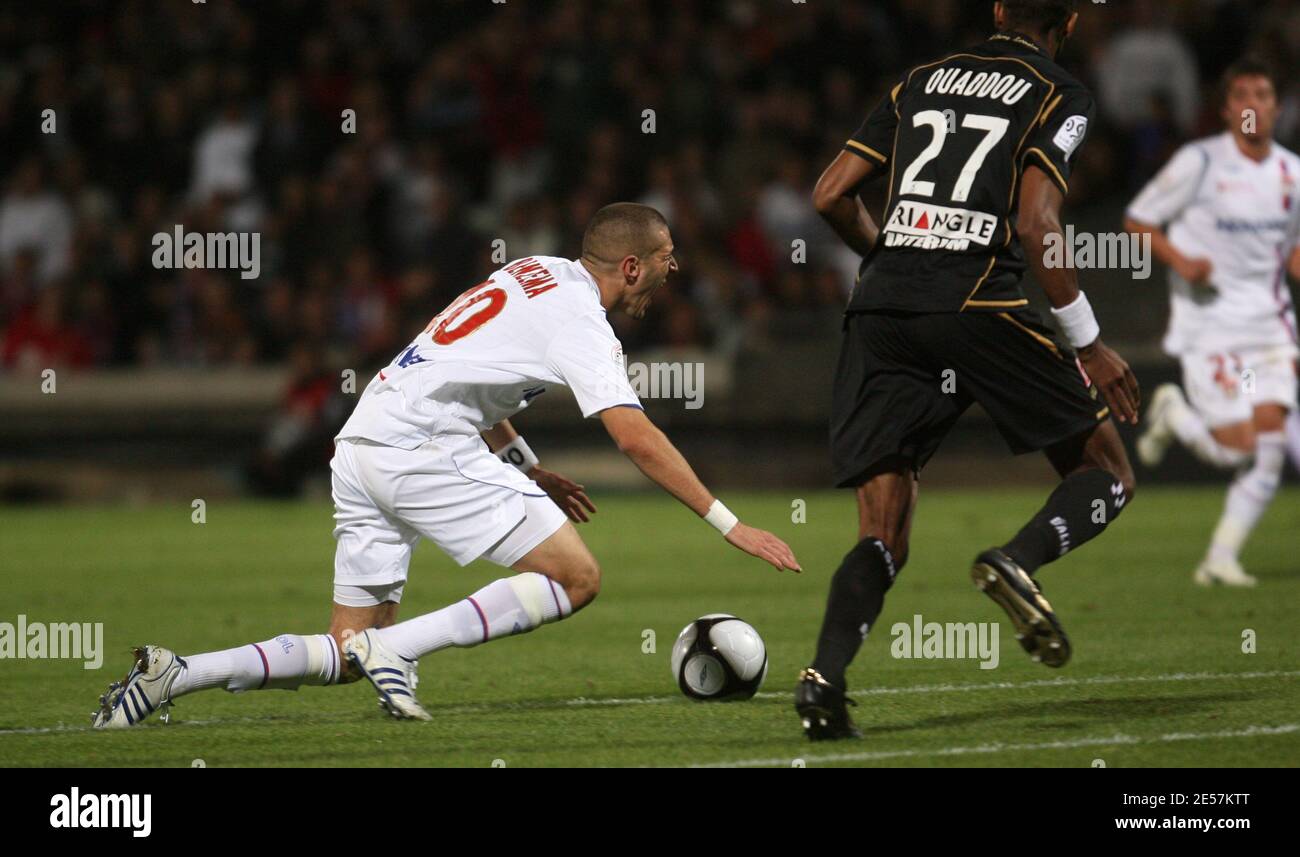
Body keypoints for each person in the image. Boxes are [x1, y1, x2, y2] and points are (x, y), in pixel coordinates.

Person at [92, 203, 800, 728]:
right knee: (577, 577)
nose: (677, 269)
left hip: (366, 439)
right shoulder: (583, 321)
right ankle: (397, 651)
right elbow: (635, 436)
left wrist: (524, 464)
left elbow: (468, 368)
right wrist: (727, 523)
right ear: (632, 266)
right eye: (669, 254)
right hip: (422, 446)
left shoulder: (535, 271)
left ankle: (173, 674)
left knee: (345, 653)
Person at [797, 0, 1138, 741]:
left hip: (881, 310)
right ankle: (1017, 560)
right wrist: (1088, 342)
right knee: (1108, 471)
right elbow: (1036, 223)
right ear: (1071, 22)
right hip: (978, 298)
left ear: (997, 9)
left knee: (882, 531)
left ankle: (823, 683)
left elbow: (828, 193)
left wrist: (893, 260)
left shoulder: (920, 77)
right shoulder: (1058, 92)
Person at [1127, 58, 1300, 587]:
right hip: (1213, 331)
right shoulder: (1198, 163)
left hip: (1270, 331)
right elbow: (1138, 222)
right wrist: (1182, 262)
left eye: (1263, 94)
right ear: (1227, 110)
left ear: (1275, 106)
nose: (1253, 104)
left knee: (1269, 446)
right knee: (1239, 449)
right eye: (1242, 95)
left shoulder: (1292, 171)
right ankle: (1175, 412)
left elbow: (1291, 252)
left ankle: (1220, 558)